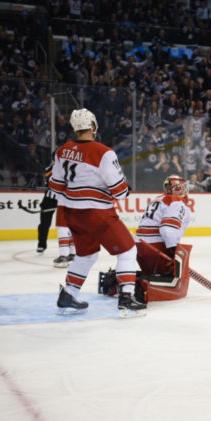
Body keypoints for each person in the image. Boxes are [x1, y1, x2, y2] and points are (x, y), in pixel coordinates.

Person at [48, 108, 146, 317]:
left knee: (87, 254)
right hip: (97, 213)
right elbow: (119, 192)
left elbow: (55, 186)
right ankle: (126, 297)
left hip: (73, 213)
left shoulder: (62, 150)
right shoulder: (103, 152)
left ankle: (68, 294)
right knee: (128, 251)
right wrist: (124, 189)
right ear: (93, 125)